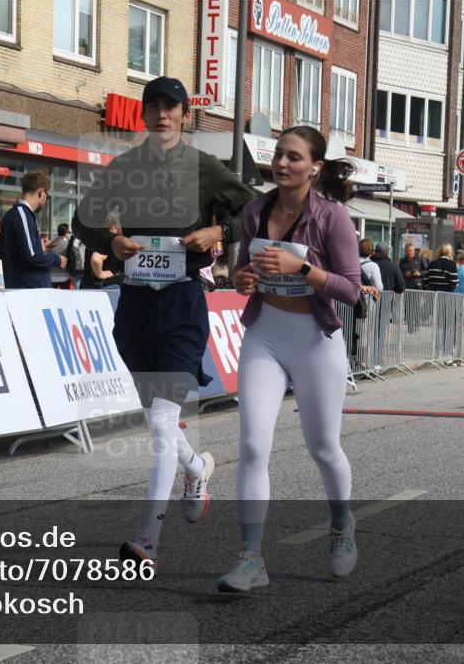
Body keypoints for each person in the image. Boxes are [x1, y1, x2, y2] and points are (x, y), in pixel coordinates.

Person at [74, 75, 256, 567]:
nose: (161, 114)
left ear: (182, 114)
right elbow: (82, 219)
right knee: (157, 421)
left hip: (182, 303)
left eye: (170, 107)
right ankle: (196, 468)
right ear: (143, 114)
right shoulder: (125, 166)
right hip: (135, 305)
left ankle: (147, 539)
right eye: (152, 106)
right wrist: (109, 243)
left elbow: (256, 210)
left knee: (160, 419)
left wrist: (219, 229)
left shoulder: (203, 167)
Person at [223, 125, 361, 591]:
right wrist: (243, 280)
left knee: (323, 448)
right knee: (252, 446)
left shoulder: (332, 218)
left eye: (294, 157)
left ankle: (341, 527)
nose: (283, 164)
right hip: (264, 334)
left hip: (314, 340)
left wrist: (301, 267)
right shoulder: (254, 210)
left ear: (314, 167)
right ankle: (250, 558)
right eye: (279, 155)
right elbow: (244, 269)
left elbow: (351, 289)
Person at [0, 170, 65, 289]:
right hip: (30, 290)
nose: (46, 200)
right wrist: (57, 259)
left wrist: (40, 249)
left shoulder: (13, 215)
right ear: (41, 192)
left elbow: (18, 253)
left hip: (21, 288)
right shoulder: (23, 215)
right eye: (47, 196)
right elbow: (32, 257)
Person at [80, 213, 122, 290]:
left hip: (87, 284)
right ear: (113, 227)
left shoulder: (92, 239)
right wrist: (101, 274)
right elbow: (96, 259)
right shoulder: (108, 241)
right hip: (106, 285)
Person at [48, 223, 72, 289]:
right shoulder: (68, 243)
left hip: (51, 276)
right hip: (65, 276)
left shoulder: (52, 242)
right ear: (66, 232)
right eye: (69, 232)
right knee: (65, 298)